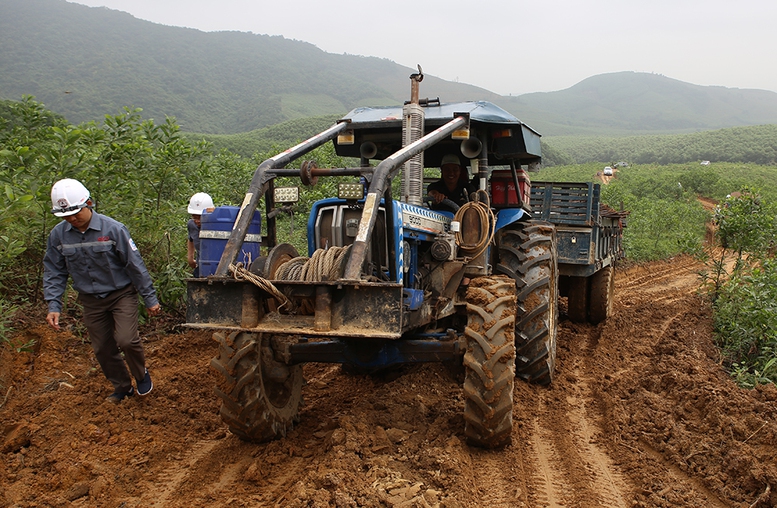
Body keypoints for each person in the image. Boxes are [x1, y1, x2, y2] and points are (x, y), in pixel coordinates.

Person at [43, 178, 161, 404]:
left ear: (89, 203)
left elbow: (134, 266)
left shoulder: (113, 229)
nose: (72, 218)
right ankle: (122, 387)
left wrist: (149, 298)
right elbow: (54, 271)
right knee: (102, 347)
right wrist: (53, 305)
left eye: (76, 212)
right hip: (91, 300)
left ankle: (140, 374)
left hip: (121, 295)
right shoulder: (58, 235)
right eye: (66, 215)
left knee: (126, 340)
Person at [186, 192, 214, 277]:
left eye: (200, 217)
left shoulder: (215, 225)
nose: (197, 220)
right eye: (194, 217)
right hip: (200, 266)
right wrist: (190, 258)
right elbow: (191, 239)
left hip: (215, 266)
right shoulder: (191, 225)